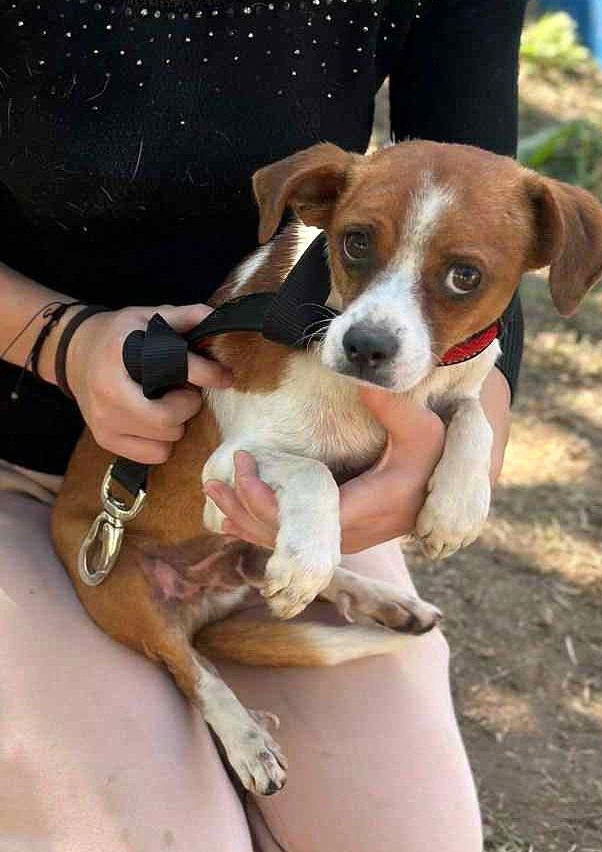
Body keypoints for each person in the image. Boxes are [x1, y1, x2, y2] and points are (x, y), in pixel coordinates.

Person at [0, 2, 527, 850]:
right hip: (49, 470)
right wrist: (56, 340)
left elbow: (493, 226)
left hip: (280, 469)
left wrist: (467, 445)